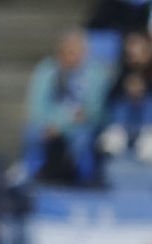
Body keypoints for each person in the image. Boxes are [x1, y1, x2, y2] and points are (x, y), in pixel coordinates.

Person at [22, 28, 110, 185]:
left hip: (81, 126)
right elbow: (36, 107)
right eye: (68, 51)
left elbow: (92, 112)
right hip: (49, 124)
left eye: (78, 52)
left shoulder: (96, 74)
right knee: (32, 133)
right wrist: (51, 125)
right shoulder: (46, 71)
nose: (73, 56)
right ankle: (33, 181)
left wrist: (61, 126)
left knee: (82, 140)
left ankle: (84, 181)